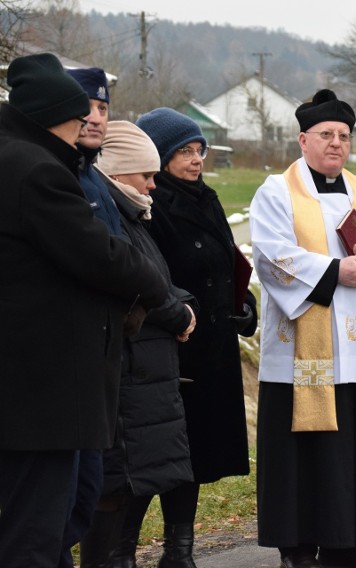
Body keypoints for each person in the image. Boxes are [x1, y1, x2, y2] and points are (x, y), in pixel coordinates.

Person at [0, 52, 168, 568]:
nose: (85, 128)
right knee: (35, 529)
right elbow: (98, 253)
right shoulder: (34, 171)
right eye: (80, 117)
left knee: (56, 516)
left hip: (38, 389)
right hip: (43, 392)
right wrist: (154, 285)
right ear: (57, 116)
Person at [250, 89, 356, 568]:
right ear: (303, 140)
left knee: (355, 447)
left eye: (344, 136)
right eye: (326, 134)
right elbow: (270, 253)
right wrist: (334, 272)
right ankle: (297, 548)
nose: (336, 144)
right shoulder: (276, 192)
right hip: (302, 352)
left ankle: (346, 544)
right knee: (302, 450)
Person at [136, 108, 258, 568]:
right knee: (160, 456)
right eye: (183, 152)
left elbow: (226, 265)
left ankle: (179, 552)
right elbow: (154, 276)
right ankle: (119, 551)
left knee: (194, 457)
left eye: (198, 150)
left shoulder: (206, 199)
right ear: (159, 157)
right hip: (174, 349)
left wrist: (242, 307)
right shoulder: (152, 206)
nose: (195, 160)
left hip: (213, 348)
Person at [76, 120, 198, 567]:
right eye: (145, 173)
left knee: (127, 485)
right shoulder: (109, 214)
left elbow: (158, 279)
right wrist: (178, 312)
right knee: (114, 487)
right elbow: (131, 284)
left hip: (146, 371)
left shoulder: (132, 213)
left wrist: (185, 304)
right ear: (117, 171)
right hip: (130, 372)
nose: (152, 182)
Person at [59, 65, 121, 568]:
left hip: (101, 361)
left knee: (84, 494)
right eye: (87, 107)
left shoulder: (95, 179)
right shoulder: (55, 176)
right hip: (60, 364)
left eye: (103, 108)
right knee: (51, 510)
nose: (96, 118)